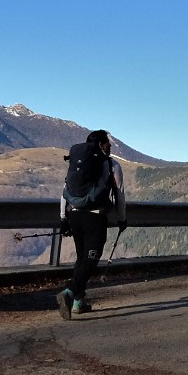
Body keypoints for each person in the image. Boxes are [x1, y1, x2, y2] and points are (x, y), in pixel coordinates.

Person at [57, 129, 127, 319]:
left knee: (82, 259)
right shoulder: (112, 165)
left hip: (75, 216)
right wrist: (122, 218)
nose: (110, 145)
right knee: (91, 259)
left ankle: (79, 302)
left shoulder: (77, 164)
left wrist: (63, 218)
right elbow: (119, 194)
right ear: (100, 145)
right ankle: (69, 292)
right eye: (107, 142)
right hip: (95, 217)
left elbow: (65, 190)